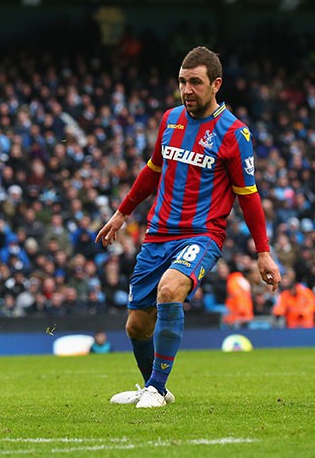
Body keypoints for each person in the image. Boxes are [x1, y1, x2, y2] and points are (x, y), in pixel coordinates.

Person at [96, 46, 281, 409]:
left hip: (202, 234)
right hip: (158, 234)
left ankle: (155, 389)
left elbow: (249, 196)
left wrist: (263, 252)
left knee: (170, 289)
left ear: (216, 84)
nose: (187, 90)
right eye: (182, 81)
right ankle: (155, 386)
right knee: (136, 326)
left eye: (195, 82)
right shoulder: (170, 120)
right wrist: (122, 213)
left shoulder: (234, 133)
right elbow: (152, 170)